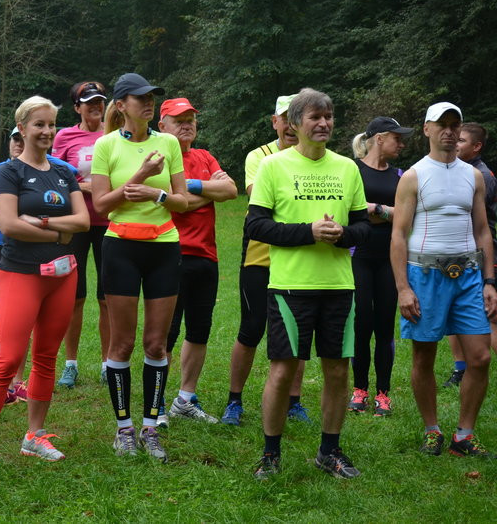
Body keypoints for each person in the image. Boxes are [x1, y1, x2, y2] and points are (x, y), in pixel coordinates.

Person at [246, 88, 370, 479]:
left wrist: (343, 235)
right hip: (289, 285)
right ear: (295, 124)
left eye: (328, 117)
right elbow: (255, 226)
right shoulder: (273, 167)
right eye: (315, 117)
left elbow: (364, 226)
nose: (324, 124)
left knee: (337, 370)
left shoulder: (347, 168)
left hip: (338, 285)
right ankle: (270, 453)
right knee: (283, 370)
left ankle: (329, 450)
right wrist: (309, 232)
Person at [0, 96, 89, 476]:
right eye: (39, 124)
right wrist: (57, 231)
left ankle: (34, 435)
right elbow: (8, 226)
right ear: (22, 127)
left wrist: (40, 223)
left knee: (47, 357)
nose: (47, 131)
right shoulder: (8, 172)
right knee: (7, 359)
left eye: (51, 124)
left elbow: (84, 220)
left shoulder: (64, 172)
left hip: (62, 276)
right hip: (20, 274)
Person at [91, 73, 188, 462]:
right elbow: (101, 205)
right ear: (120, 105)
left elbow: (182, 201)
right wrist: (141, 176)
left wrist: (158, 193)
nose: (148, 103)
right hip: (120, 248)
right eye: (139, 98)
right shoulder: (106, 145)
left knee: (155, 343)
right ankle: (123, 429)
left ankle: (150, 427)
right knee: (122, 343)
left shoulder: (169, 143)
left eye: (151, 97)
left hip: (164, 246)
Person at [391, 102, 497, 458]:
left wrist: (489, 280)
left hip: (468, 275)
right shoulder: (414, 176)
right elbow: (398, 235)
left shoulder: (474, 175)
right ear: (427, 129)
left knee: (480, 357)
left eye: (455, 125)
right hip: (426, 275)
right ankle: (432, 429)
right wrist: (404, 287)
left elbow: (482, 230)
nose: (449, 131)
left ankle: (463, 435)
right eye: (442, 125)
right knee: (424, 356)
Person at [221, 94, 312, 426]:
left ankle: (294, 401)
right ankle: (234, 400)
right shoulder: (258, 156)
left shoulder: (314, 160)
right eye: (284, 118)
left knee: (298, 332)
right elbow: (261, 197)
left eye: (296, 117)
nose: (290, 125)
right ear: (275, 122)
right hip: (260, 256)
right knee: (251, 328)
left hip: (300, 258)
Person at [155, 97, 236, 426]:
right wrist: (203, 192)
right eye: (179, 119)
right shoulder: (159, 159)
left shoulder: (204, 156)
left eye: (191, 119)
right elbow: (176, 204)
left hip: (207, 256)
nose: (187, 124)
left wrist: (192, 186)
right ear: (163, 126)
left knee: (200, 330)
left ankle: (185, 398)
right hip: (171, 252)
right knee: (167, 333)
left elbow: (230, 190)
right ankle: (156, 402)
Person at [0, 126, 79, 404]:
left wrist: (38, 218)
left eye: (18, 138)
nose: (16, 143)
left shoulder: (58, 169)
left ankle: (19, 382)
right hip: (2, 248)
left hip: (47, 254)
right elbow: (5, 216)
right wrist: (59, 230)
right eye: (12, 138)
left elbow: (74, 194)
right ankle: (10, 381)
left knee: (41, 332)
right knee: (9, 323)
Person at [347, 117, 413, 416]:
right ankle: (359, 389)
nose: (401, 143)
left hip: (390, 259)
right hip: (358, 255)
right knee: (361, 324)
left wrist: (376, 209)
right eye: (396, 138)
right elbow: (351, 211)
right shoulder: (353, 171)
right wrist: (387, 212)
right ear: (379, 138)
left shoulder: (400, 176)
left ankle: (383, 394)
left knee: (385, 326)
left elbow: (408, 217)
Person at [52, 81, 110, 388]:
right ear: (77, 107)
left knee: (107, 298)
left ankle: (107, 364)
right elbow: (58, 174)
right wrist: (86, 188)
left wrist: (94, 188)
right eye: (88, 103)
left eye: (99, 102)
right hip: (76, 223)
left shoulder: (114, 135)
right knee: (75, 297)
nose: (95, 107)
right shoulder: (65, 136)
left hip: (109, 223)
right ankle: (70, 364)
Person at [443, 122, 497, 387]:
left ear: (476, 147)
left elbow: (478, 224)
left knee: (491, 315)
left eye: (462, 140)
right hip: (460, 256)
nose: (455, 143)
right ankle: (460, 369)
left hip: (482, 254)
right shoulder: (453, 171)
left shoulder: (481, 176)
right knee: (455, 313)